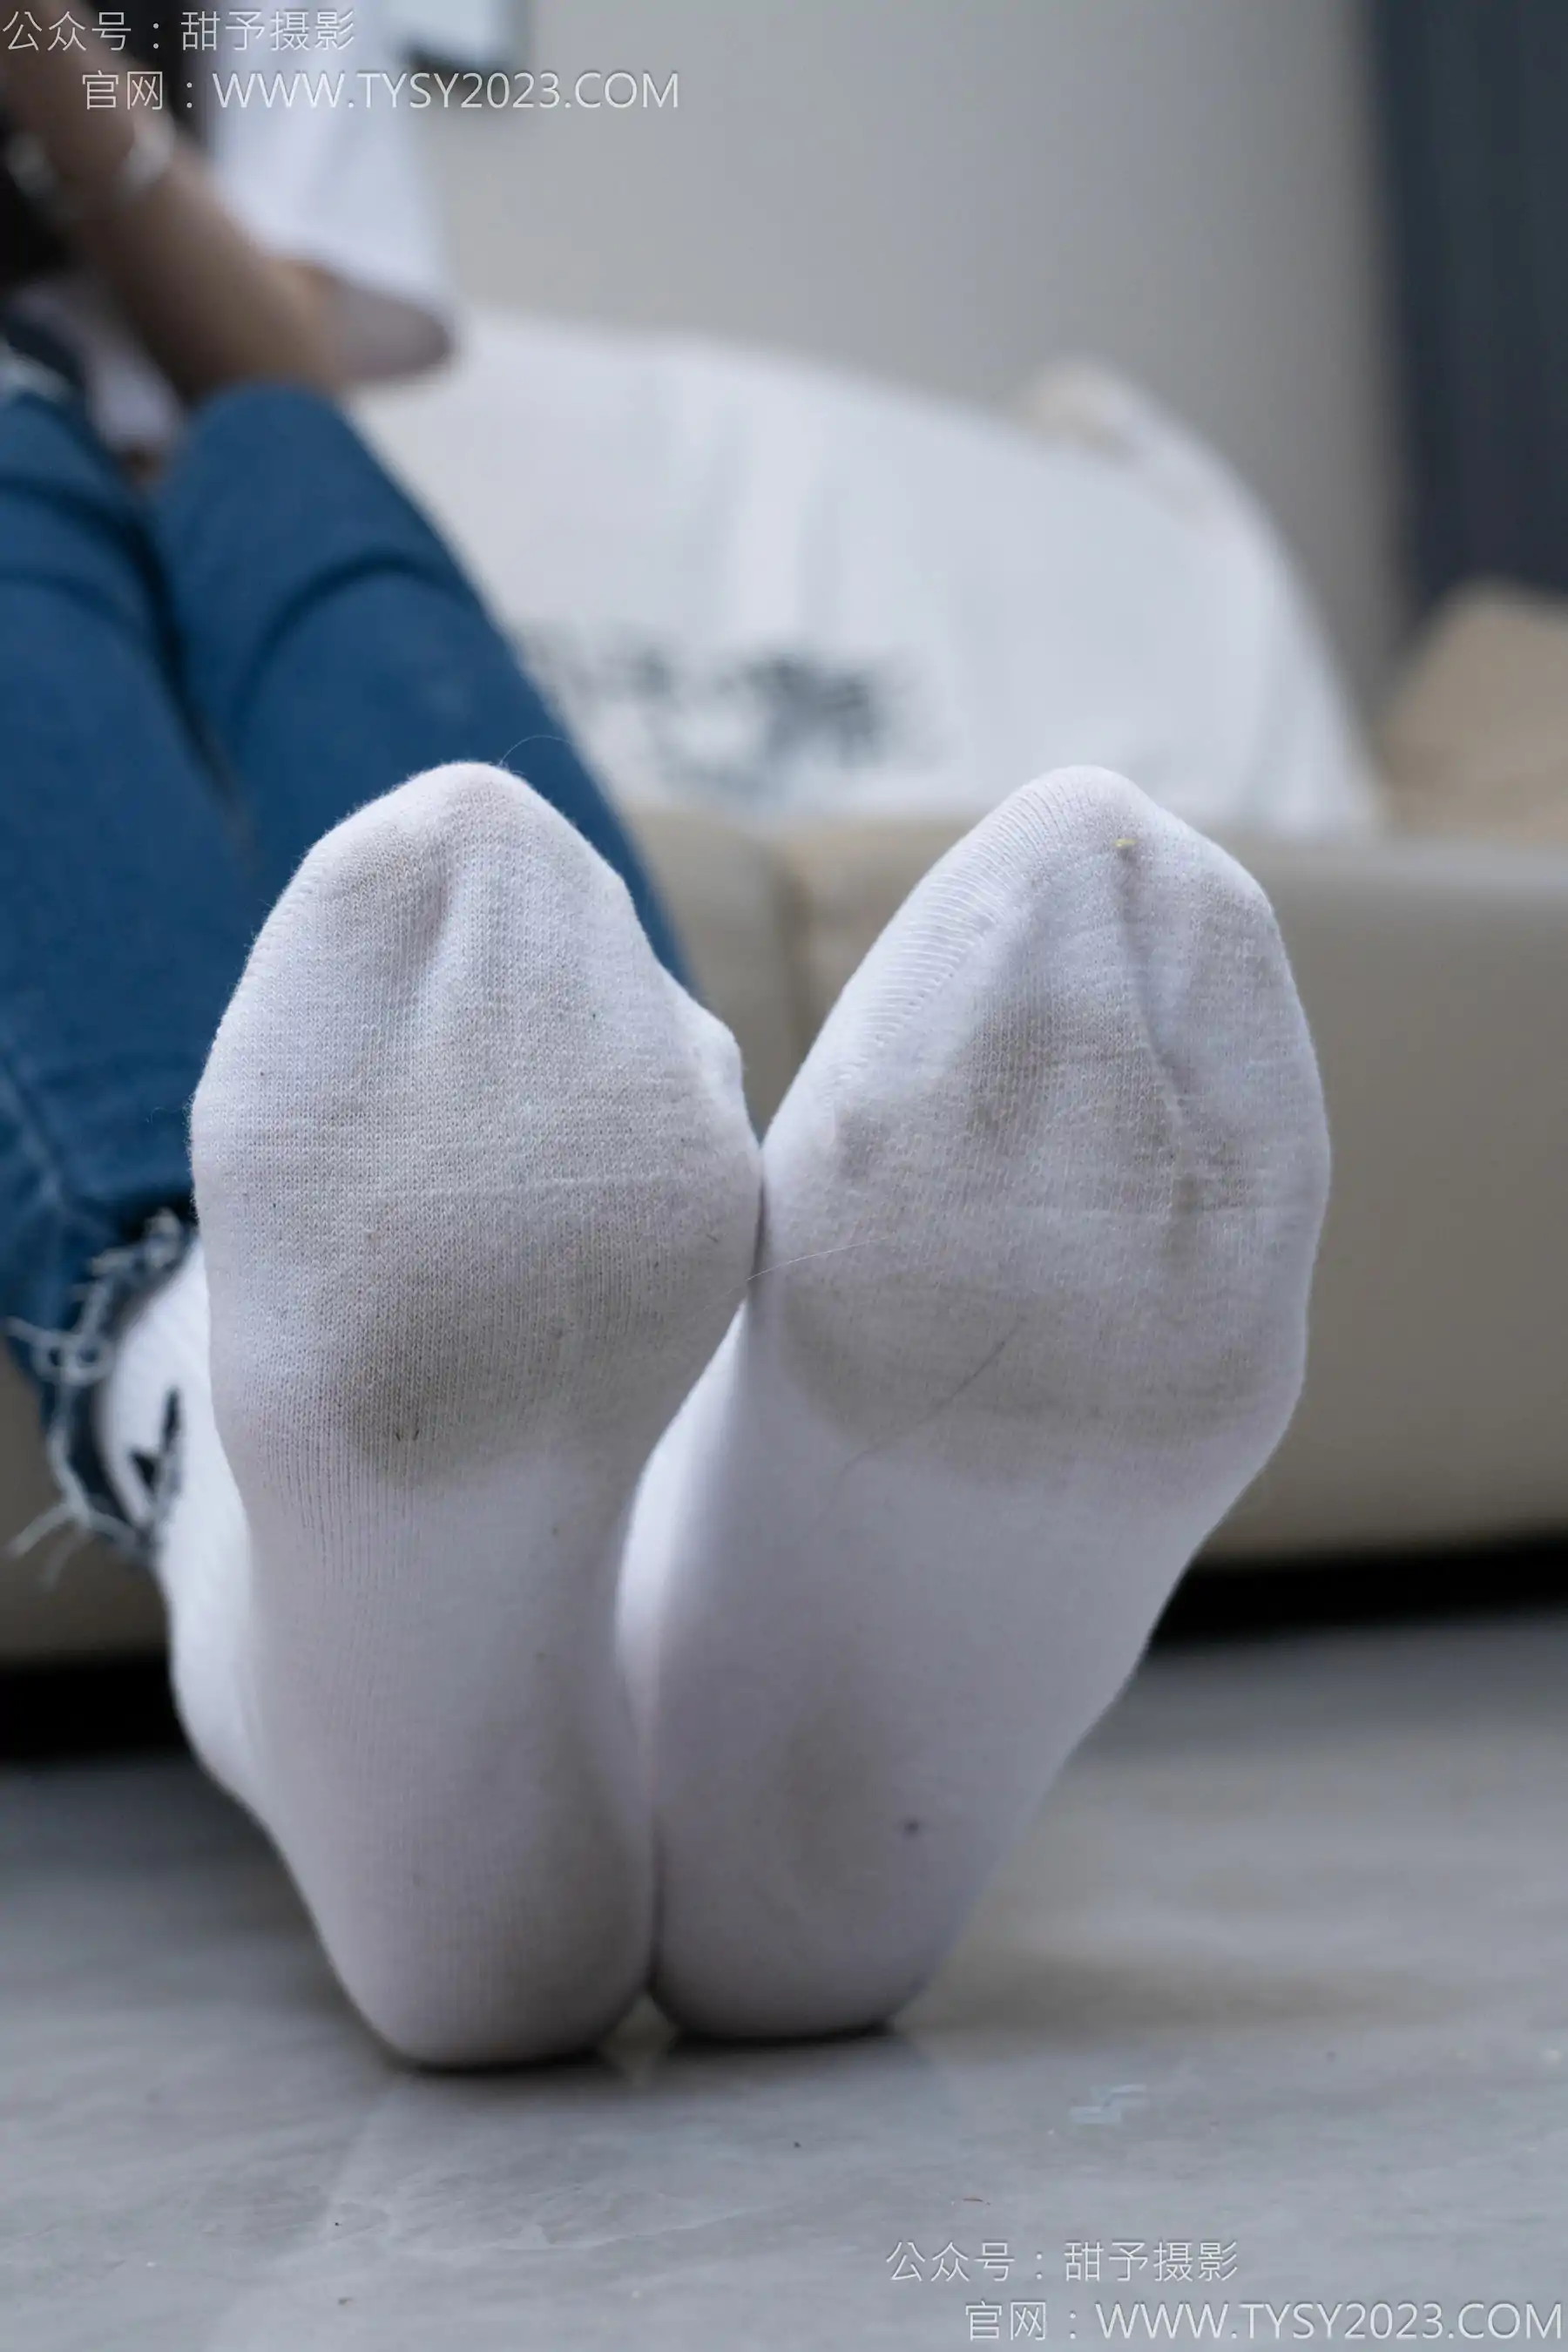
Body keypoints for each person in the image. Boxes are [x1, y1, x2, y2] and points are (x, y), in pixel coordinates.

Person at [0, 18, 1333, 2069]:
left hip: (220, 442)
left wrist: (56, 70)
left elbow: (285, 357)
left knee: (289, 465)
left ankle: (533, 1702)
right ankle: (392, 1538)